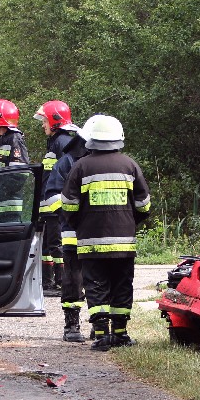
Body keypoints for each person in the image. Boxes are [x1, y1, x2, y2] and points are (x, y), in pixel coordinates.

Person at [61, 114, 151, 350]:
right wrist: (130, 222)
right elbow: (144, 205)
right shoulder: (130, 165)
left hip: (91, 243)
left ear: (91, 140)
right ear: (118, 138)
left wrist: (81, 223)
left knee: (95, 286)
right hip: (123, 243)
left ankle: (101, 335)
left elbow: (68, 205)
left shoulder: (81, 166)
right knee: (122, 285)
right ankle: (120, 334)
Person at [43, 128, 89, 341]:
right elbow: (52, 196)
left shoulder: (106, 162)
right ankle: (72, 326)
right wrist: (71, 215)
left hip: (102, 234)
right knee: (73, 279)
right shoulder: (68, 162)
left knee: (101, 281)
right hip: (75, 233)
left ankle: (101, 328)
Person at [34, 100, 80, 297]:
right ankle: (48, 282)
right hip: (48, 206)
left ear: (54, 121)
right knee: (47, 246)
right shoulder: (55, 142)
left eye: (44, 120)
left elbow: (68, 173)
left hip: (56, 206)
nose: (43, 125)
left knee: (57, 245)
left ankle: (62, 282)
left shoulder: (62, 142)